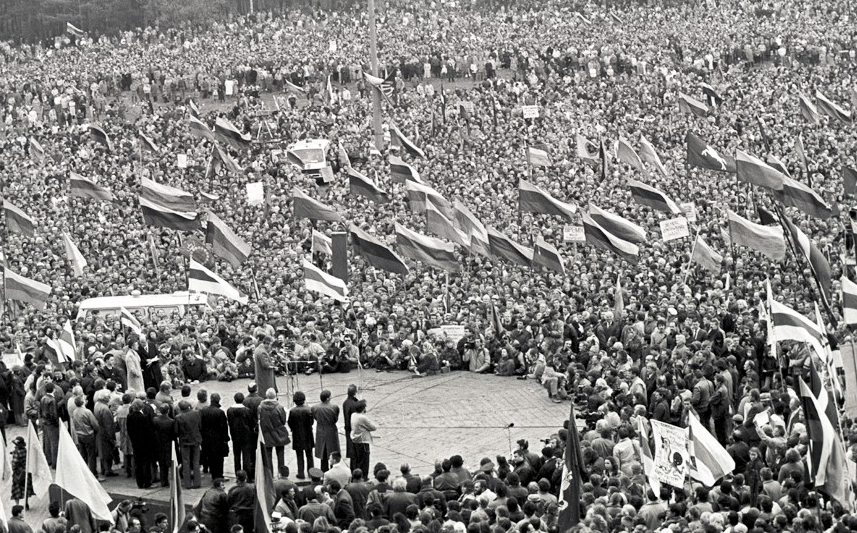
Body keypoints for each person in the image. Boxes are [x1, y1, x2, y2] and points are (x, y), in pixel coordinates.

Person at [259, 388, 290, 478]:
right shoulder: (279, 407)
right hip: (279, 433)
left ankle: (270, 475)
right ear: (275, 396)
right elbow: (283, 420)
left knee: (268, 456)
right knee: (280, 454)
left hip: (266, 433)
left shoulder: (260, 407)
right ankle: (281, 474)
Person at [126, 399, 155, 489]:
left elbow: (129, 430)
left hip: (135, 442)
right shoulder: (144, 418)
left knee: (138, 463)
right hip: (145, 443)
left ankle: (140, 482)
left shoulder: (129, 417)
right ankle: (147, 482)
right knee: (146, 463)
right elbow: (149, 432)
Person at [201, 393, 230, 481]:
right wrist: (226, 438)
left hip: (207, 438)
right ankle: (219, 475)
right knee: (219, 458)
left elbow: (202, 425)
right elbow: (224, 427)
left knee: (210, 457)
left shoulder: (204, 411)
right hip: (218, 439)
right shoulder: (220, 412)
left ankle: (213, 475)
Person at [175, 400, 203, 489]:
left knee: (185, 462)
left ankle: (187, 483)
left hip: (184, 441)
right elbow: (200, 426)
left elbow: (176, 431)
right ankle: (197, 482)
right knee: (196, 462)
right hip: (195, 439)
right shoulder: (196, 413)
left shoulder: (178, 417)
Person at [227, 392, 255, 480]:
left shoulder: (229, 410)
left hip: (235, 435)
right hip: (246, 436)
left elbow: (230, 423)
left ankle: (238, 475)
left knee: (236, 456)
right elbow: (251, 423)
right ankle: (248, 475)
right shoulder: (247, 410)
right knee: (246, 456)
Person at [287, 391, 315, 480]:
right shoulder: (309, 409)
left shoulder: (292, 411)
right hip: (308, 435)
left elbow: (290, 423)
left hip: (297, 435)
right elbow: (312, 422)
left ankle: (301, 473)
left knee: (299, 455)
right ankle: (311, 472)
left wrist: (293, 429)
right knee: (309, 455)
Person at [312, 389, 340, 471]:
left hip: (320, 430)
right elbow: (335, 419)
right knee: (333, 451)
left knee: (323, 452)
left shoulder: (314, 408)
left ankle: (324, 470)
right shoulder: (334, 407)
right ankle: (333, 469)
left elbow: (315, 417)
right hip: (331, 430)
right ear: (328, 398)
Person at [350, 400, 376, 478]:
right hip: (363, 441)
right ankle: (364, 477)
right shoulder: (363, 418)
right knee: (364, 462)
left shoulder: (353, 415)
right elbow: (373, 427)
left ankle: (356, 476)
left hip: (355, 440)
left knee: (357, 460)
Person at [93, 394, 117, 478]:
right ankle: (108, 470)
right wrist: (112, 437)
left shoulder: (97, 405)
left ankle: (103, 468)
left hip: (99, 431)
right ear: (105, 399)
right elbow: (108, 425)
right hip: (105, 432)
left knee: (102, 451)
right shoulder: (105, 409)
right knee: (107, 451)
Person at [342, 384, 360, 470]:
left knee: (352, 451)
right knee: (356, 451)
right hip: (354, 430)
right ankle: (356, 469)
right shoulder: (354, 404)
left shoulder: (345, 403)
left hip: (348, 429)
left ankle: (353, 469)